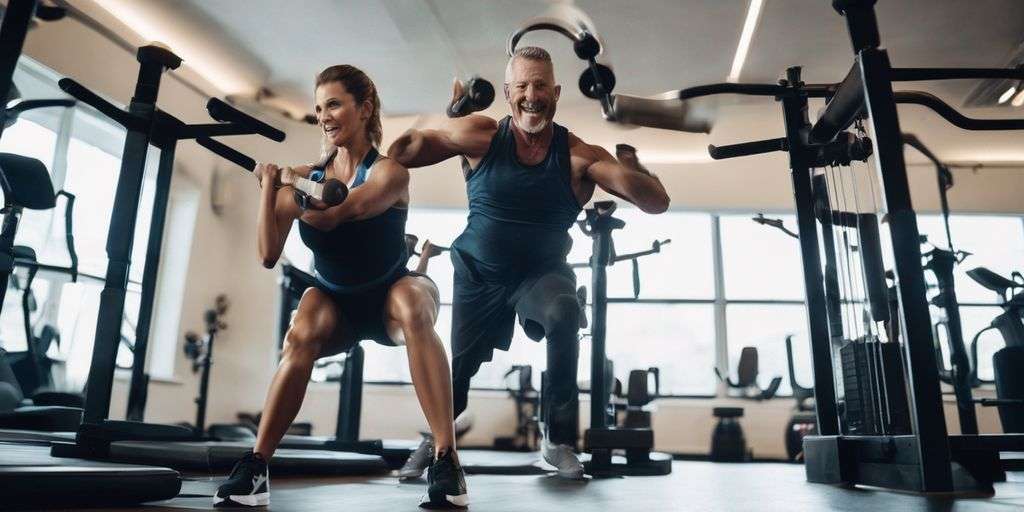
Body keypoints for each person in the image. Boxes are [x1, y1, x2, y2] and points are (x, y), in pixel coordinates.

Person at [388, 46, 669, 479]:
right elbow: (403, 150)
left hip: (541, 275)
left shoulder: (579, 155)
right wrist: (455, 115)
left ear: (556, 92)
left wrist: (633, 166)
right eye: (521, 85)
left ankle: (557, 440)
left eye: (540, 85)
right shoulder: (482, 136)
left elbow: (656, 203)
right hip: (479, 274)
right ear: (507, 92)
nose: (531, 95)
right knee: (457, 374)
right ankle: (435, 441)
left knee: (565, 311)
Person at [215, 65, 467, 509]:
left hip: (391, 294)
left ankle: (446, 461)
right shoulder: (303, 175)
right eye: (317, 108)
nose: (324, 116)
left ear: (364, 108)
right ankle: (256, 466)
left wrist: (292, 192)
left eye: (333, 104)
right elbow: (268, 255)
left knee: (413, 304)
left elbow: (336, 213)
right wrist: (270, 189)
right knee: (300, 331)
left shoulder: (390, 174)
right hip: (337, 302)